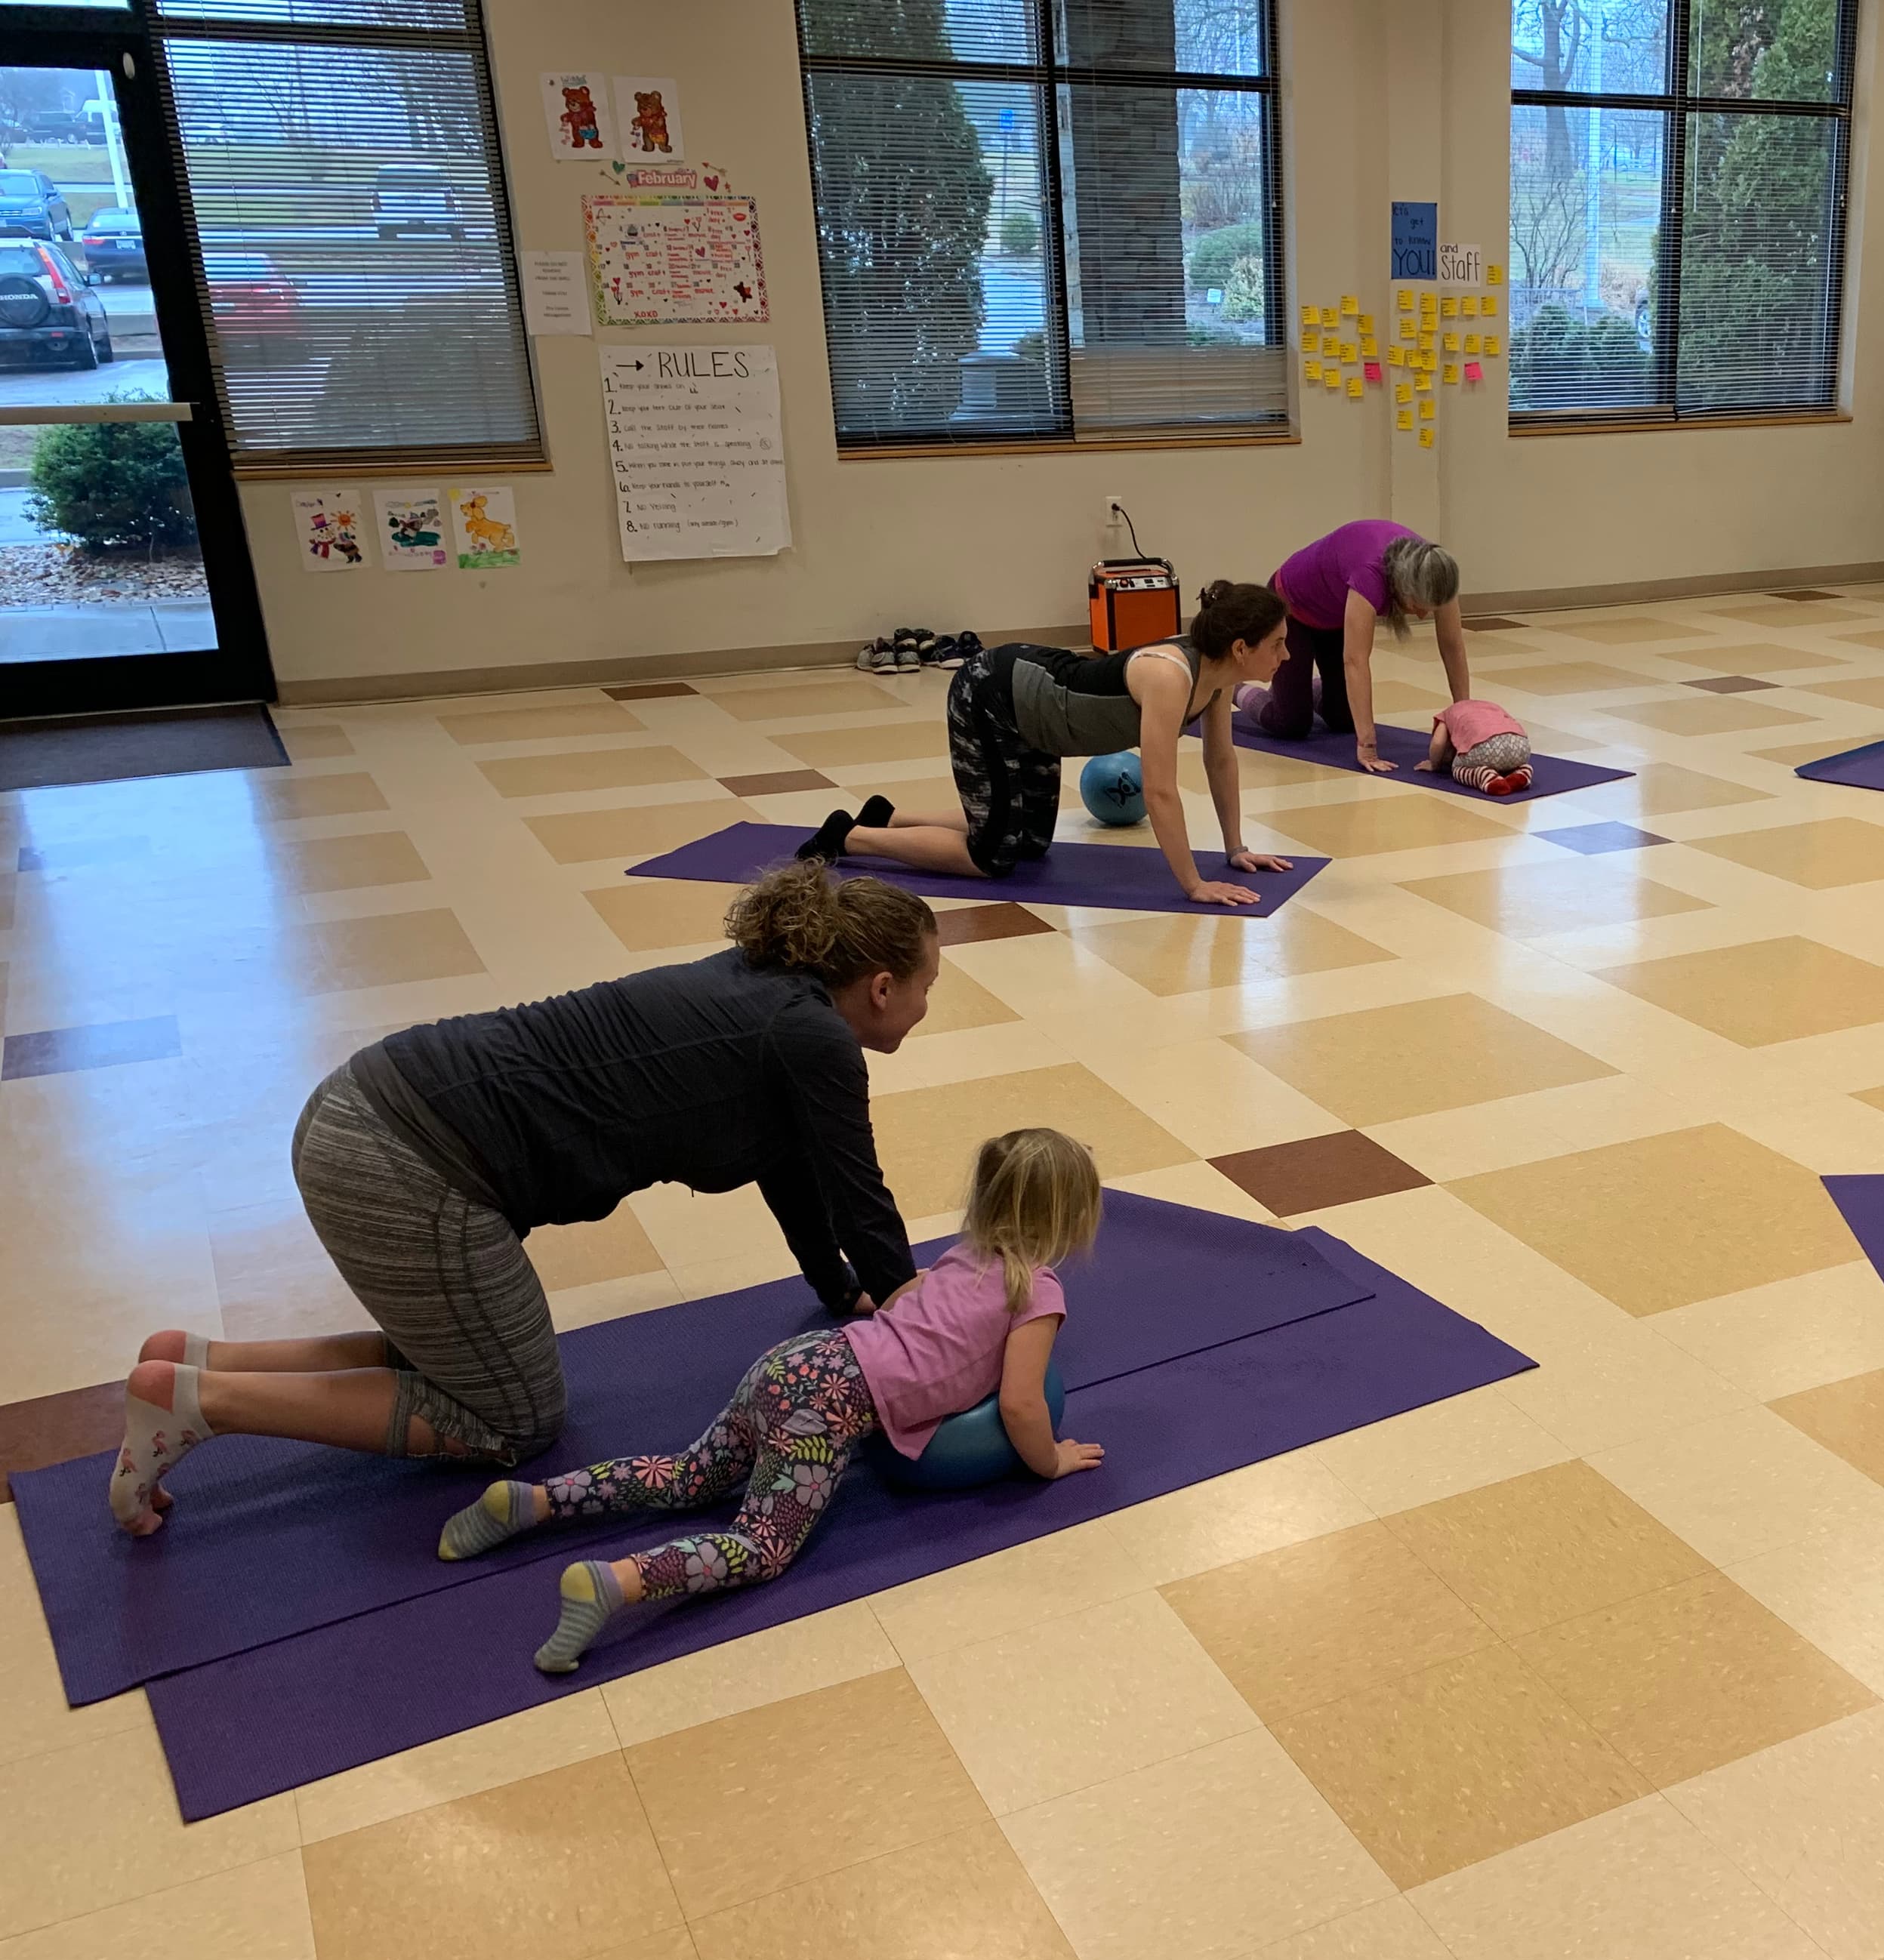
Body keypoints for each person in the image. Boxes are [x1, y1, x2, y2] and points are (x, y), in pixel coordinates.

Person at [111, 863, 937, 1536]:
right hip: (407, 1165)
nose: (927, 1008)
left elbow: (796, 1169)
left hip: (366, 1105)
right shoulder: (812, 1037)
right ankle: (205, 1403)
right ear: (880, 986)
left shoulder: (770, 994)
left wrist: (840, 1290)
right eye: (926, 987)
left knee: (464, 1351)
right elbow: (859, 1192)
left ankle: (203, 1361)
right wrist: (920, 1338)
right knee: (511, 1416)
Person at [435, 1128, 1107, 1674]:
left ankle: (536, 1501)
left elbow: (905, 1302)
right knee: (761, 1546)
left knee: (688, 1475)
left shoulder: (962, 1257)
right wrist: (1049, 1461)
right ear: (1070, 1219)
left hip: (799, 1363)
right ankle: (616, 1584)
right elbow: (1021, 1404)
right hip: (827, 1408)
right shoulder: (1038, 1293)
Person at [816, 582, 1297, 909]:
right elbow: (1160, 792)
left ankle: (888, 815)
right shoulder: (1171, 676)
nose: (1286, 654)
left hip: (1038, 714)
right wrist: (1193, 884)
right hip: (993, 695)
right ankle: (849, 836)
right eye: (1277, 643)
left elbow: (1220, 759)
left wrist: (1236, 848)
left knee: (1031, 843)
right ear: (1241, 648)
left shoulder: (1218, 676)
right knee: (992, 858)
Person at [1250, 520, 1469, 772]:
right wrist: (1367, 746)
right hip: (1292, 607)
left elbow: (1453, 647)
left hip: (1333, 616)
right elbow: (1356, 660)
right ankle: (1234, 688)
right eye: (1417, 605)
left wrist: (1464, 720)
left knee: (1343, 720)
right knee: (1291, 724)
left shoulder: (1437, 573)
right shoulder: (1371, 574)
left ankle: (1299, 689)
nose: (1422, 615)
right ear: (1402, 586)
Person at [1420, 696, 1534, 796]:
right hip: (1521, 744)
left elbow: (1438, 743)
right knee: (1508, 762)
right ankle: (1524, 770)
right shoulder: (1491, 706)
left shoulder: (1445, 715)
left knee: (1457, 770)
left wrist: (1434, 764)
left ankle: (1485, 776)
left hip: (1485, 747)